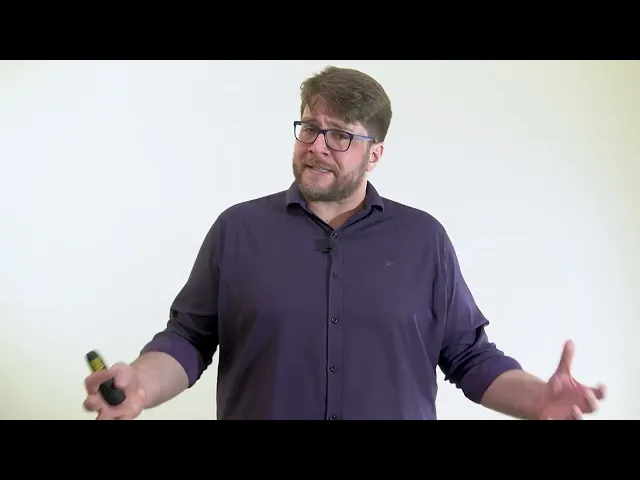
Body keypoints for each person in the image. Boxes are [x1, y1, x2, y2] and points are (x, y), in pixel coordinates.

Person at [83, 65, 606, 420]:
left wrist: (539, 399)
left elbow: (469, 356)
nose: (317, 146)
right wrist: (141, 384)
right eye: (309, 128)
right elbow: (189, 339)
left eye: (340, 135)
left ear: (375, 154)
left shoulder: (424, 239)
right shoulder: (237, 230)